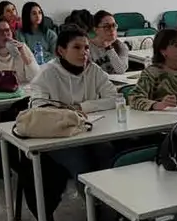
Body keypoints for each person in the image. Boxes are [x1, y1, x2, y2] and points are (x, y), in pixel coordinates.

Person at [29, 27, 118, 180]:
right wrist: (69, 113)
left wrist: (81, 107)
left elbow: (114, 98)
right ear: (61, 51)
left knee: (107, 153)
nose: (84, 52)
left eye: (86, 48)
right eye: (76, 47)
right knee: (81, 162)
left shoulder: (93, 70)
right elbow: (38, 107)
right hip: (58, 136)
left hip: (90, 131)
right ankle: (92, 202)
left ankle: (104, 198)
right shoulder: (47, 73)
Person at [127, 29, 177, 111]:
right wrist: (157, 105)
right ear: (163, 51)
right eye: (176, 45)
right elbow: (134, 98)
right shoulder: (151, 73)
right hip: (159, 119)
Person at [0, 17, 40, 83]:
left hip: (24, 91)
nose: (5, 34)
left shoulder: (22, 47)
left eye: (7, 30)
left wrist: (24, 55)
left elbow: (36, 78)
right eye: (0, 31)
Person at [87, 10, 129, 75]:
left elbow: (121, 70)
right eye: (106, 26)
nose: (112, 29)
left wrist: (109, 48)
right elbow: (90, 74)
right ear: (96, 30)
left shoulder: (121, 46)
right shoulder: (87, 48)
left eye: (114, 25)